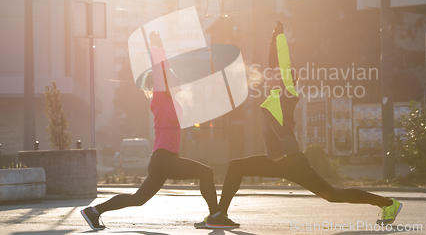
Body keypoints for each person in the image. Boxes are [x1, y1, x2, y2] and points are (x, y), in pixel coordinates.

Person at [207, 21, 402, 229]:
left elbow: (283, 63)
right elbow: (274, 62)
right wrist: (272, 40)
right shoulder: (274, 96)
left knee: (333, 195)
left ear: (285, 80)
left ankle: (388, 204)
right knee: (236, 166)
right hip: (275, 161)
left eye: (275, 74)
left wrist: (280, 36)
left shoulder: (287, 95)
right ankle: (219, 215)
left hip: (293, 161)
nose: (269, 74)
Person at [81, 31, 233, 230]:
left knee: (138, 199)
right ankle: (215, 215)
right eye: (173, 78)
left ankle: (93, 212)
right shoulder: (160, 99)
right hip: (164, 159)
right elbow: (161, 70)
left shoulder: (170, 101)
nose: (178, 79)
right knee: (206, 172)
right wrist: (156, 47)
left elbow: (166, 72)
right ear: (164, 83)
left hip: (162, 161)